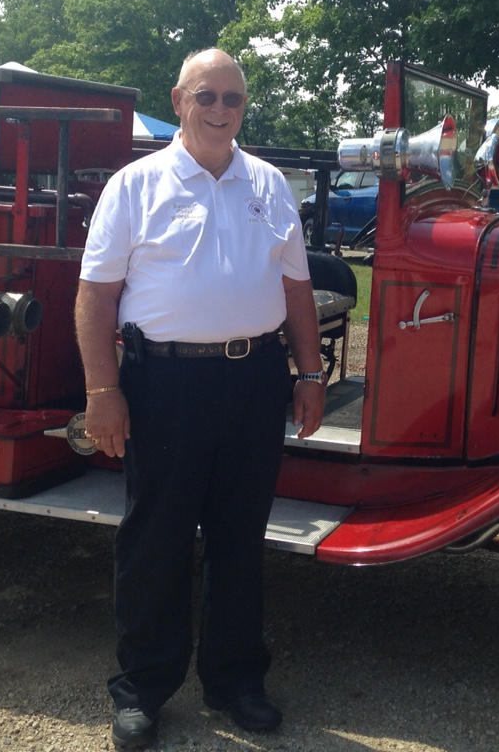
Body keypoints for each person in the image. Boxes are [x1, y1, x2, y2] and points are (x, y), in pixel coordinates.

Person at [74, 48, 326, 750]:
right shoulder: (135, 185)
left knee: (240, 538)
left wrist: (309, 375)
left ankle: (236, 681)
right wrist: (104, 391)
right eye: (207, 96)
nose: (220, 110)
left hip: (253, 382)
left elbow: (297, 289)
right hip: (165, 384)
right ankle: (142, 690)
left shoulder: (270, 185)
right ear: (179, 98)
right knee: (155, 535)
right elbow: (95, 296)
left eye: (233, 99)